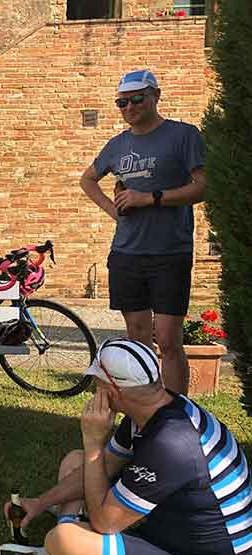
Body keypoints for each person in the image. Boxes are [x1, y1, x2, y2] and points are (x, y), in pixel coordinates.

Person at [6, 337, 251, 555]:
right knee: (76, 460)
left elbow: (105, 522)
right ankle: (74, 530)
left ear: (113, 391)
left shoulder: (171, 444)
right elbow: (109, 466)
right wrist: (39, 502)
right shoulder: (156, 409)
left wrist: (93, 443)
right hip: (174, 528)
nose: (93, 390)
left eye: (96, 383)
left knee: (63, 541)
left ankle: (70, 537)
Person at [80, 69, 207, 395]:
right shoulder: (117, 145)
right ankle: (145, 414)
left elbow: (203, 187)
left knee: (168, 339)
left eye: (137, 99)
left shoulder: (183, 135)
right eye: (122, 102)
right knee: (137, 338)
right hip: (127, 253)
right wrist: (114, 211)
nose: (129, 107)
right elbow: (88, 179)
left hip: (170, 251)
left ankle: (177, 417)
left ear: (155, 96)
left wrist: (151, 198)